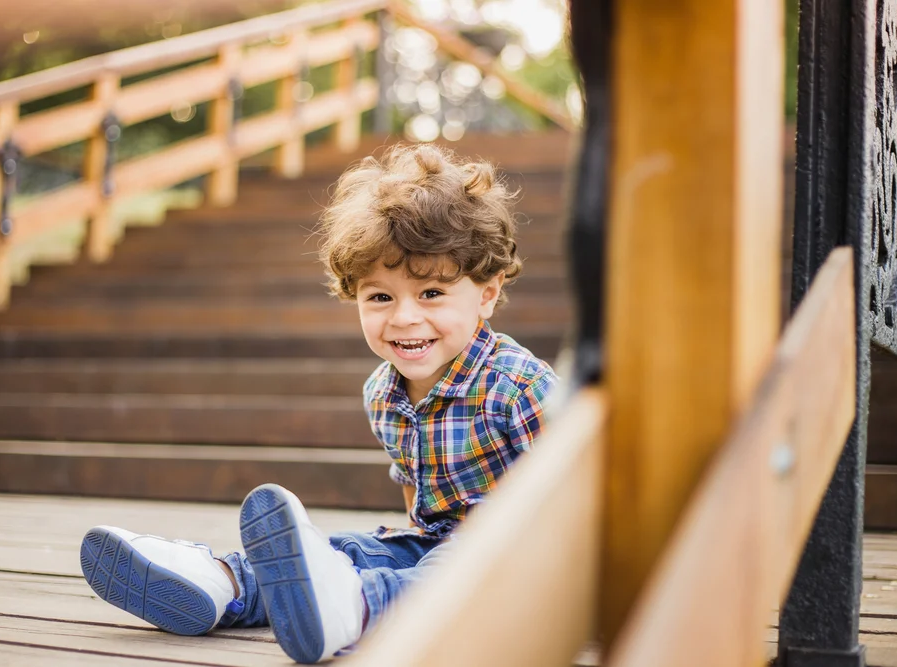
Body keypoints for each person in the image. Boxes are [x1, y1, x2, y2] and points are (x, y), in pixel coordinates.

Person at [79, 143, 558, 664]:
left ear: (486, 294)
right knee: (352, 550)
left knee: (448, 567)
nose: (403, 318)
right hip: (440, 544)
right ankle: (225, 583)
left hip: (523, 561)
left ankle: (356, 605)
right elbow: (414, 494)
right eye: (380, 297)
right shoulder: (383, 392)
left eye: (431, 294)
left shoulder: (518, 385)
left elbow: (576, 498)